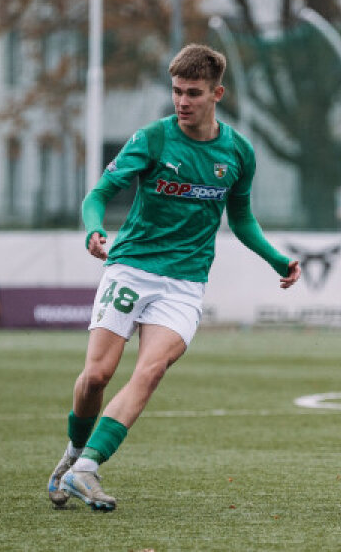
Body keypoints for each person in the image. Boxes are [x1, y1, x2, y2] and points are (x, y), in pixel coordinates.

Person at [47, 44, 301, 512]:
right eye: (177, 91)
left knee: (151, 371)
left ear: (217, 94)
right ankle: (71, 455)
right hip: (131, 267)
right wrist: (94, 228)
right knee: (97, 376)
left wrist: (276, 259)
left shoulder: (238, 152)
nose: (183, 101)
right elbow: (98, 194)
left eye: (193, 93)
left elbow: (241, 219)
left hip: (184, 283)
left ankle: (87, 468)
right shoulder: (153, 139)